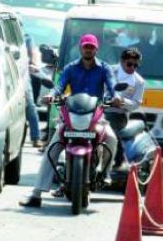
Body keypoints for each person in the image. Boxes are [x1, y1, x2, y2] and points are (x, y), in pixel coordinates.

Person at [20, 34, 122, 208]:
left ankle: (105, 173)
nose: (88, 49)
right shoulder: (70, 68)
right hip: (72, 114)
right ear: (81, 48)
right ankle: (36, 193)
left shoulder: (104, 68)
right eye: (85, 46)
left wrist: (117, 97)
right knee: (52, 148)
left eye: (91, 47)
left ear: (96, 49)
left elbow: (112, 87)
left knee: (111, 139)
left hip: (95, 114)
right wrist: (51, 96)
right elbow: (59, 86)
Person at [107, 48, 145, 166]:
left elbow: (136, 103)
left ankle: (113, 162)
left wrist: (122, 102)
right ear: (122, 61)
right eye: (129, 64)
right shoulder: (108, 71)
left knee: (109, 129)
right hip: (98, 109)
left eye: (136, 65)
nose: (132, 68)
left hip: (118, 114)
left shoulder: (139, 81)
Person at [23, 34, 43, 148]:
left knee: (30, 106)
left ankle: (35, 137)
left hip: (23, 75)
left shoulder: (26, 38)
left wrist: (32, 64)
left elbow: (33, 53)